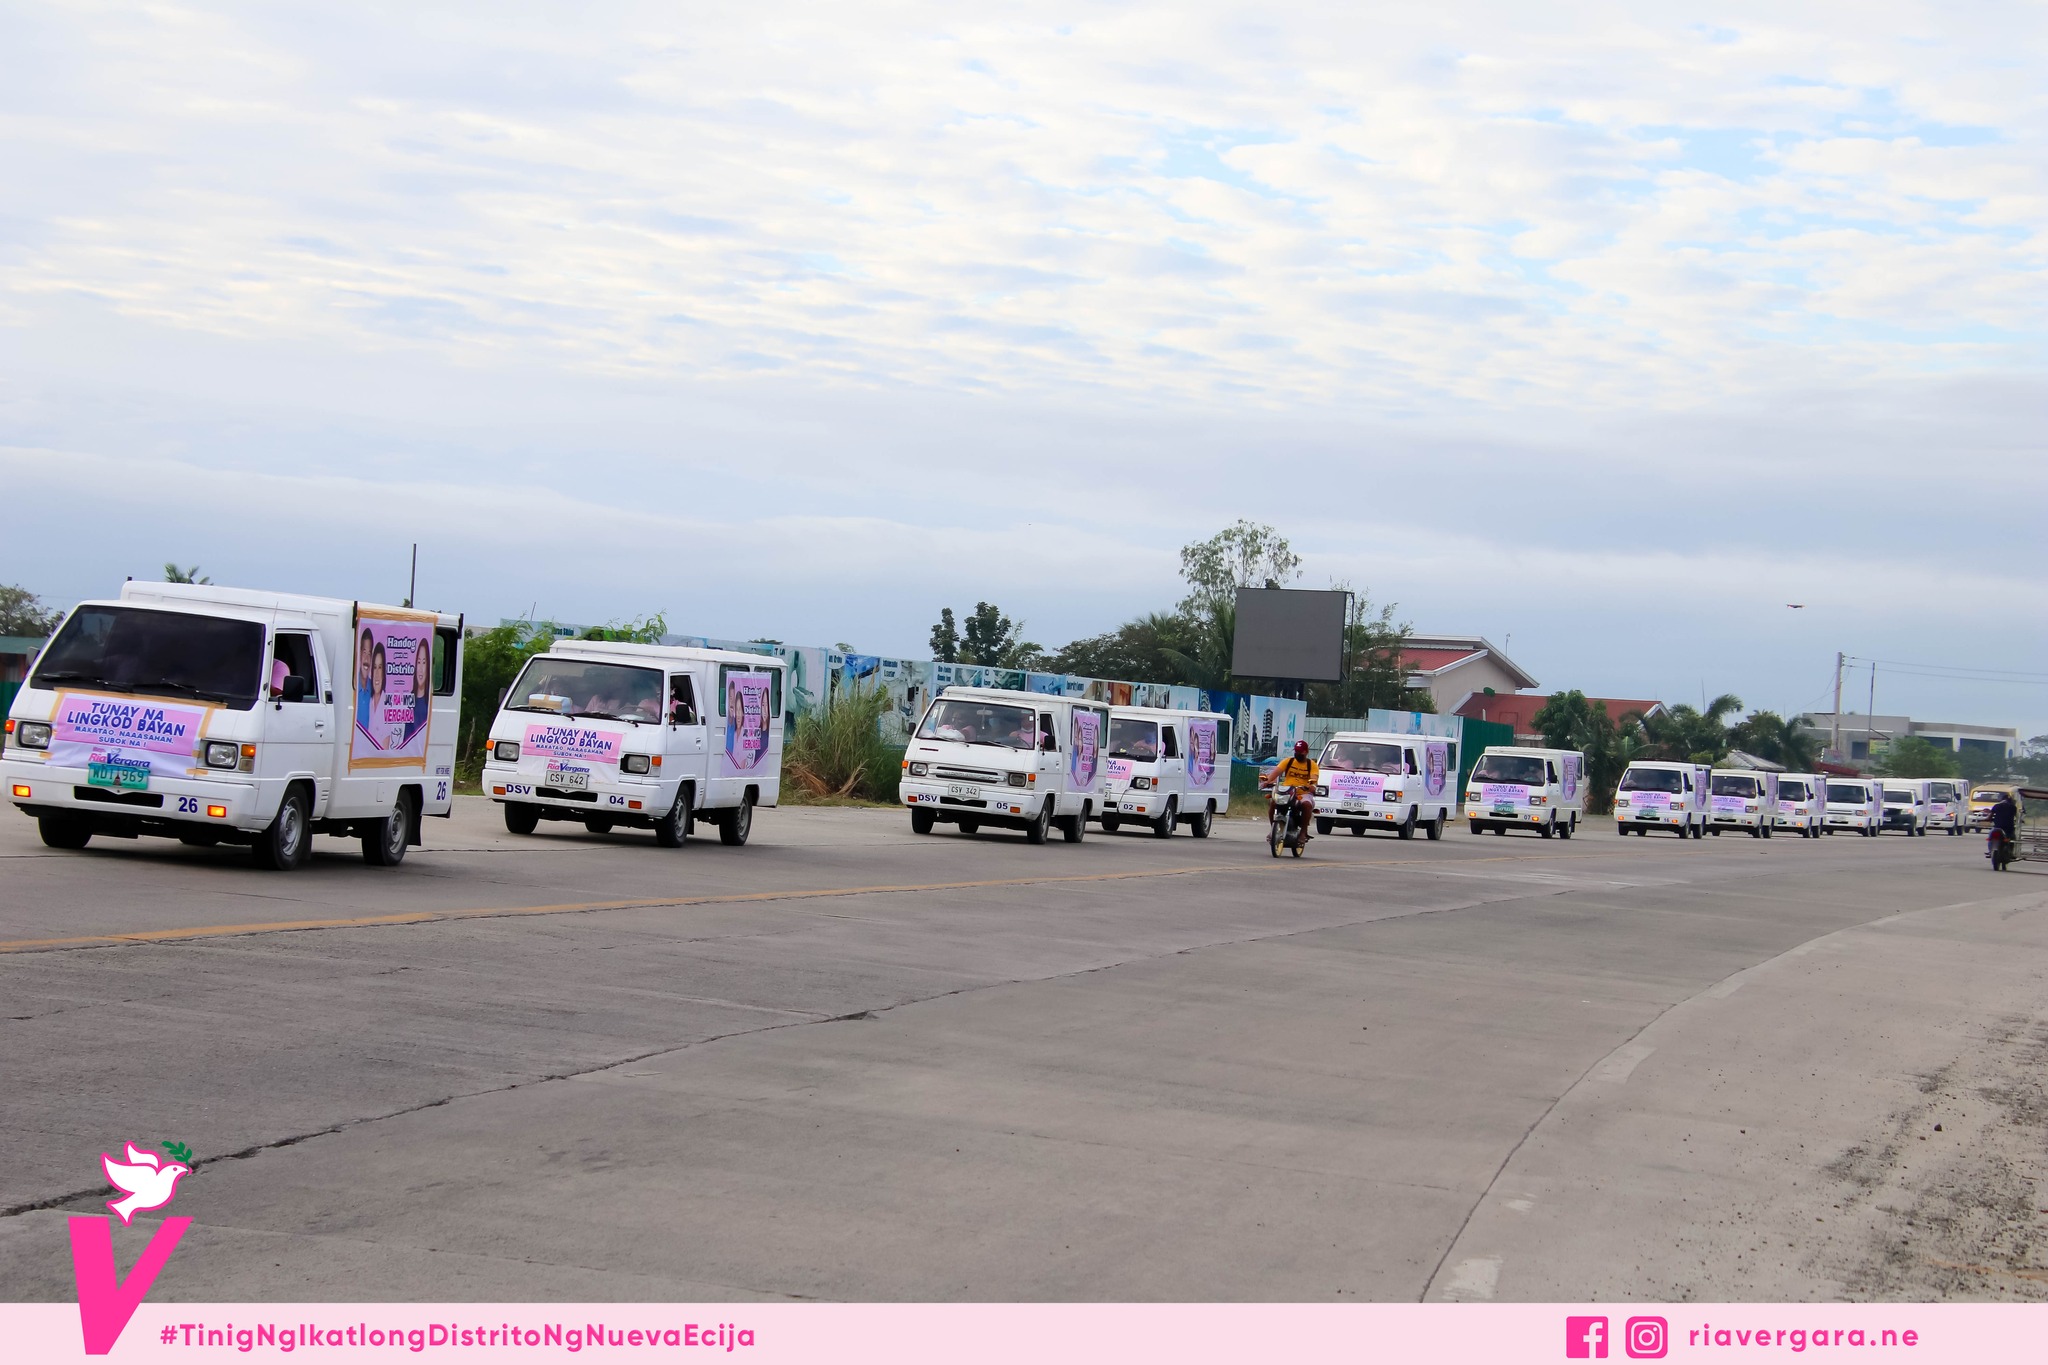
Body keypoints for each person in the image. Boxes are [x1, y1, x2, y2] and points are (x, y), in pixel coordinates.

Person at [1264, 739, 1320, 841]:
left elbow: (1314, 779)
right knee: (1273, 802)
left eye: (1300, 752)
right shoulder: (1288, 761)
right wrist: (1267, 781)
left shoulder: (1312, 765)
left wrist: (1310, 785)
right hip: (1287, 791)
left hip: (1303, 793)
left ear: (1306, 752)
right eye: (1296, 751)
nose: (1297, 753)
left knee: (1306, 804)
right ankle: (1273, 829)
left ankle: (1303, 832)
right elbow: (1274, 774)